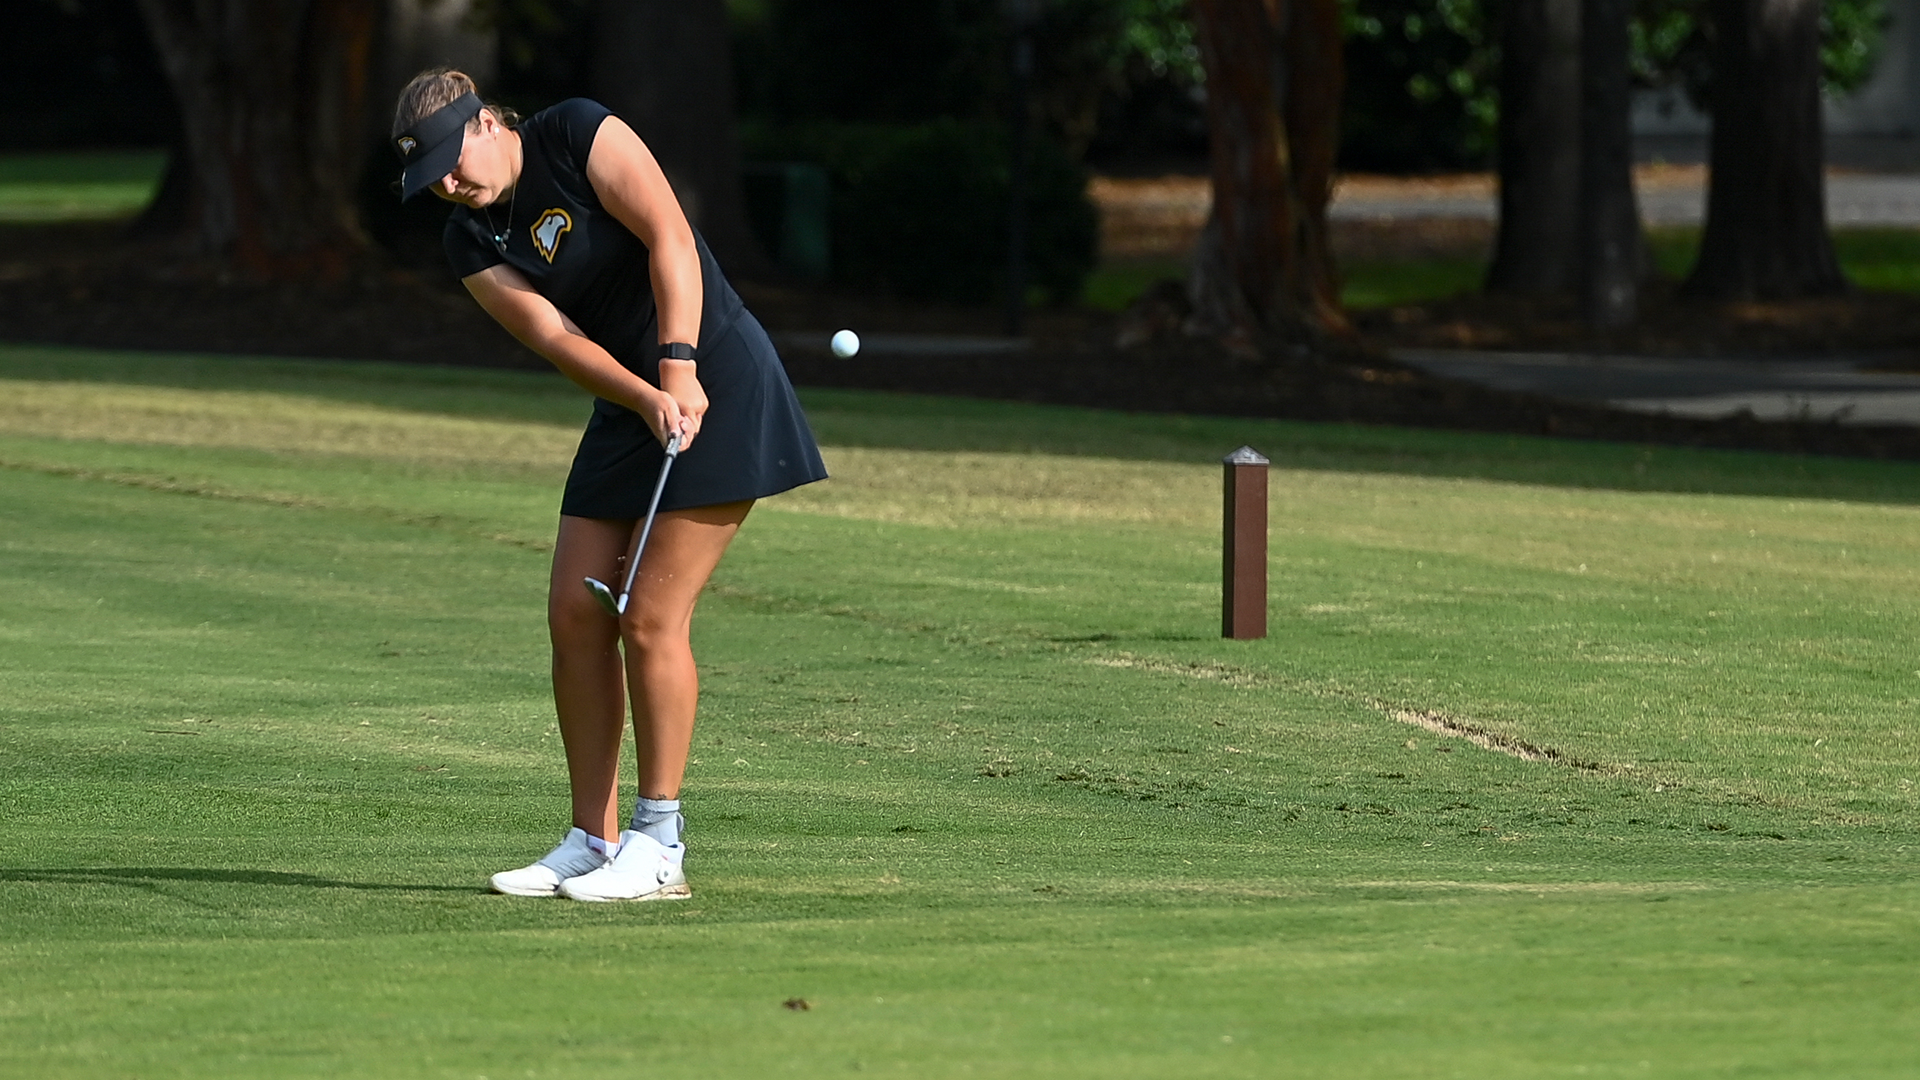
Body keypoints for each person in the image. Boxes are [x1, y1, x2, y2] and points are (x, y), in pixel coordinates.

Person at [389, 70, 827, 902]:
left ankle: (660, 845)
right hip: (631, 401)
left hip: (713, 377)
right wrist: (641, 395)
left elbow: (670, 233)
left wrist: (678, 365)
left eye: (453, 159)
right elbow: (554, 333)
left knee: (648, 613)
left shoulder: (577, 133)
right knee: (573, 609)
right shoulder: (469, 239)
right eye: (432, 177)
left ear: (487, 121)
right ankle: (594, 838)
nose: (450, 183)